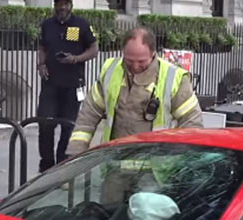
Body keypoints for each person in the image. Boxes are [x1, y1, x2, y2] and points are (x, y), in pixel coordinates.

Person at [66, 27, 202, 157]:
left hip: (155, 171)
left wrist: (179, 159)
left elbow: (192, 123)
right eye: (129, 60)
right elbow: (89, 115)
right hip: (114, 163)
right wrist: (76, 150)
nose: (135, 66)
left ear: (153, 53)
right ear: (122, 52)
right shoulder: (111, 70)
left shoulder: (174, 78)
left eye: (141, 61)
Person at [36, 0, 97, 173]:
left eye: (65, 4)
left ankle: (61, 165)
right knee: (45, 123)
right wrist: (41, 64)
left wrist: (75, 59)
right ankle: (46, 165)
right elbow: (42, 46)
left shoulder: (81, 25)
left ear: (71, 5)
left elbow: (94, 49)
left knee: (68, 127)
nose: (62, 7)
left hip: (72, 85)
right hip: (50, 84)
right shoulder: (47, 25)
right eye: (59, 4)